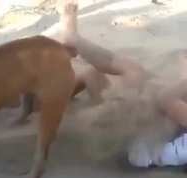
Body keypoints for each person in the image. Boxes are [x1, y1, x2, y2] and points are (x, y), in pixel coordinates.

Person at [55, 0, 187, 167]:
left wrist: (185, 76)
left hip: (130, 144)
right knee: (94, 75)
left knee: (135, 73)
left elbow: (165, 99)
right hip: (144, 137)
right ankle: (57, 96)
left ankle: (72, 40)